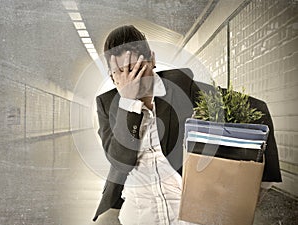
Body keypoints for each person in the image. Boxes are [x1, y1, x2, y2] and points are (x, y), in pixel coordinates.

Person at [93, 25, 281, 224]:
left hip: (187, 214)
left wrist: (261, 184)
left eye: (137, 69)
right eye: (121, 72)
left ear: (153, 60)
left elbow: (257, 110)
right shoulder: (107, 104)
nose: (132, 80)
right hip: (140, 214)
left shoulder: (184, 88)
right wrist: (129, 104)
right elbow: (119, 161)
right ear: (112, 75)